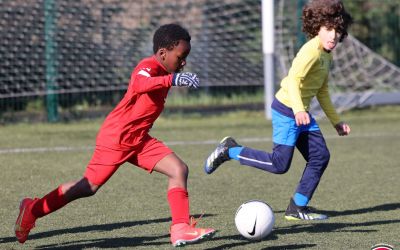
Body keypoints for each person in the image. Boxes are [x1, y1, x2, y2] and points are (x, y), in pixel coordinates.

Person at [15, 23, 215, 247]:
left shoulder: (165, 70)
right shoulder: (148, 66)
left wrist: (171, 77)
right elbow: (140, 83)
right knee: (87, 188)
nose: (184, 62)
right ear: (162, 53)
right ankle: (31, 209)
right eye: (181, 56)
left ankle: (180, 229)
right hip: (117, 138)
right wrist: (172, 80)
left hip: (139, 139)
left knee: (179, 169)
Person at [204, 0, 353, 221]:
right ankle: (230, 150)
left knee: (320, 156)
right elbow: (293, 80)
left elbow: (322, 90)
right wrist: (298, 110)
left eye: (338, 31)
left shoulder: (326, 55)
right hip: (287, 110)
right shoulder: (311, 51)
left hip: (301, 114)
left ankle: (297, 207)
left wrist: (336, 121)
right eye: (328, 29)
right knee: (279, 164)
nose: (333, 35)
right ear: (318, 27)